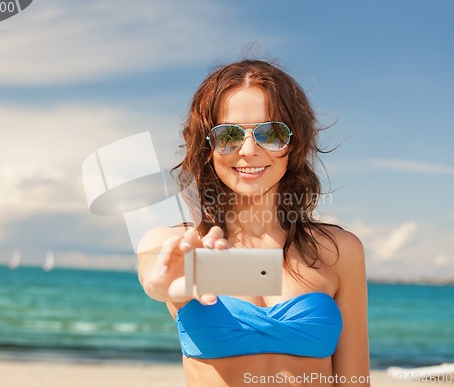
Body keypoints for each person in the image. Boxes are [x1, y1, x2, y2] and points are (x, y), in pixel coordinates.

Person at [137, 59, 370, 386]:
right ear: (208, 146)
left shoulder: (339, 251)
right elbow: (154, 276)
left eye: (271, 133)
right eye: (229, 135)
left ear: (293, 143)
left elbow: (355, 381)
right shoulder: (175, 245)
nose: (248, 150)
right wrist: (164, 285)